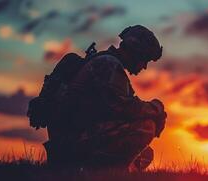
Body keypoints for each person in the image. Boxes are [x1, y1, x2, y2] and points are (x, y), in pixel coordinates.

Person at [32, 25, 166, 170]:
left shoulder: (108, 63)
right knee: (146, 127)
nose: (144, 66)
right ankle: (105, 173)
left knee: (146, 153)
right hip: (71, 142)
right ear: (135, 52)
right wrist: (156, 109)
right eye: (144, 59)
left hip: (75, 138)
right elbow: (125, 107)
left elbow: (119, 109)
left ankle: (108, 173)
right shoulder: (108, 64)